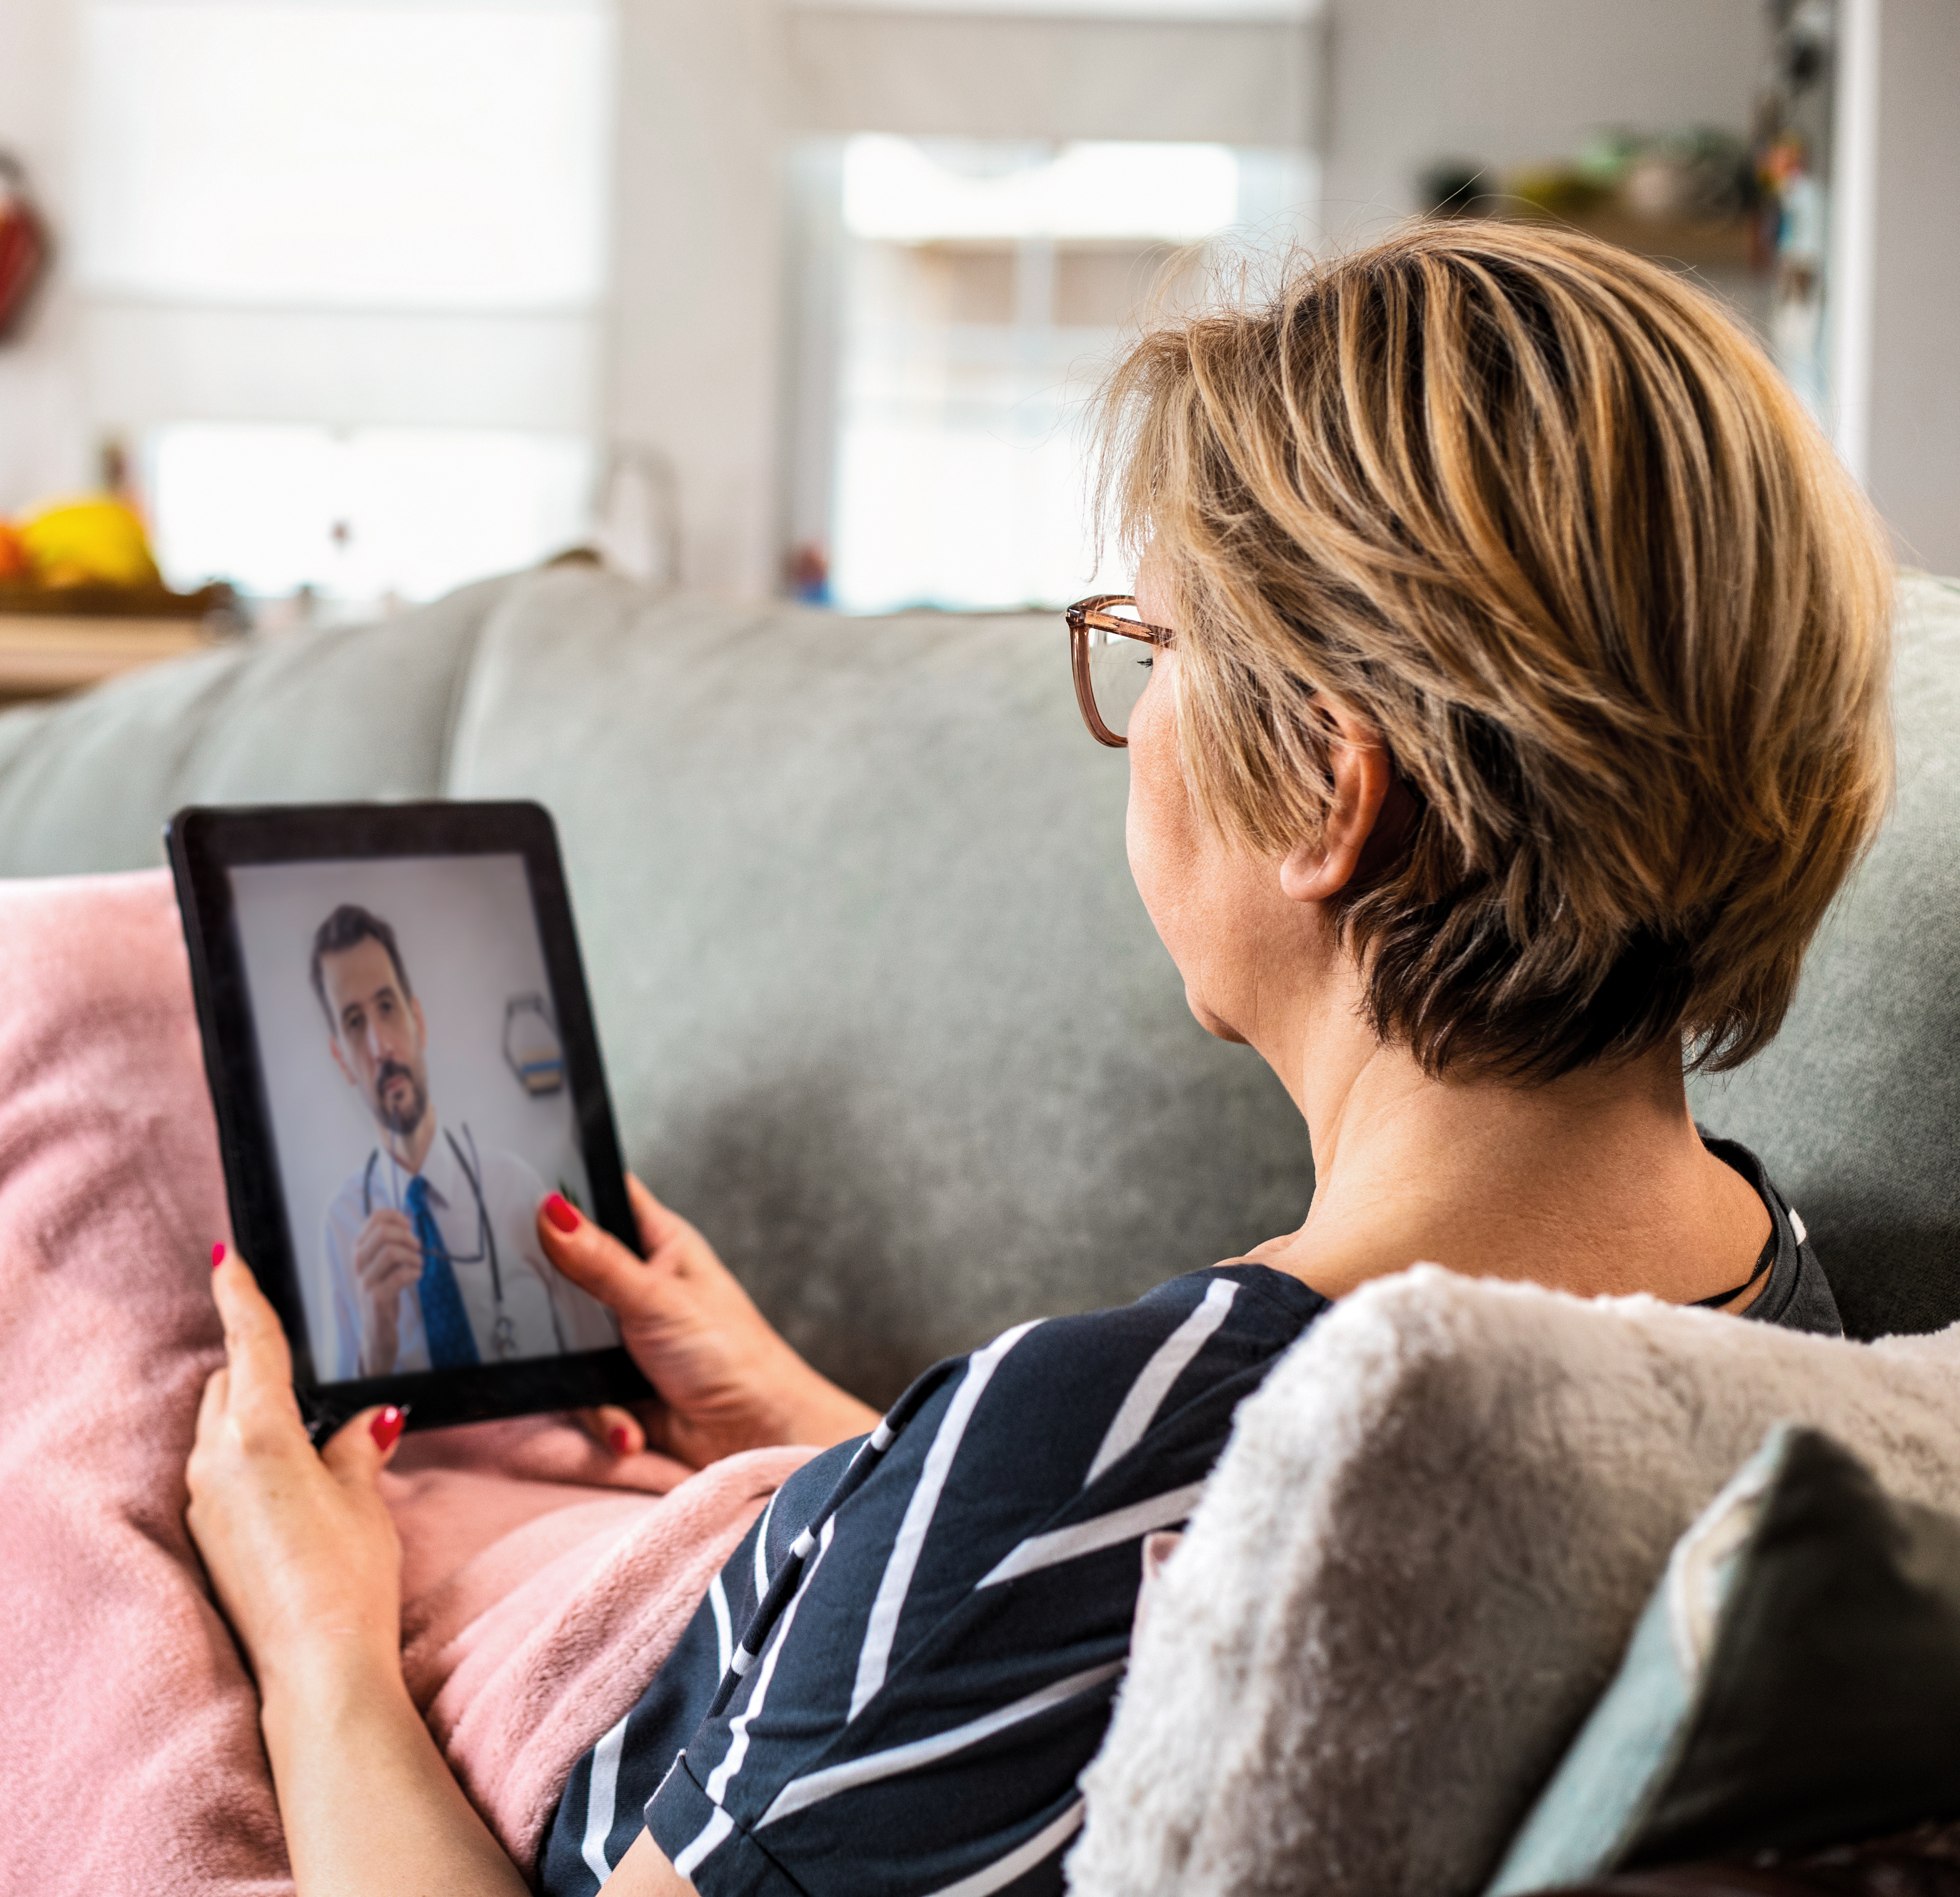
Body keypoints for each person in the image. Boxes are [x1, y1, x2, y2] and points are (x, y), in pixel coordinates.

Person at [184, 220, 1893, 1896]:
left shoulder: (1110, 1430)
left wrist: (311, 1638)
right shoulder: (1792, 1326)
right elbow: (1120, 1645)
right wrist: (837, 1448)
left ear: (1328, 790)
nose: (1134, 723)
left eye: (1156, 653)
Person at [308, 902, 617, 1379]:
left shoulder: (516, 1187)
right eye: (354, 1022)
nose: (380, 1047)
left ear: (418, 1021)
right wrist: (376, 1343)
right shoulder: (341, 1228)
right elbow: (333, 1434)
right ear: (341, 1059)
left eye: (387, 1008)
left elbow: (604, 1361)